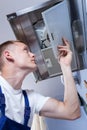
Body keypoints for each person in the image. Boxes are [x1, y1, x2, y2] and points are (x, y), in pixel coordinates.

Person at [0, 38, 81, 130]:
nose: (33, 54)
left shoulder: (30, 99)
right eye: (25, 50)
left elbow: (71, 112)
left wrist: (65, 66)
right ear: (8, 55)